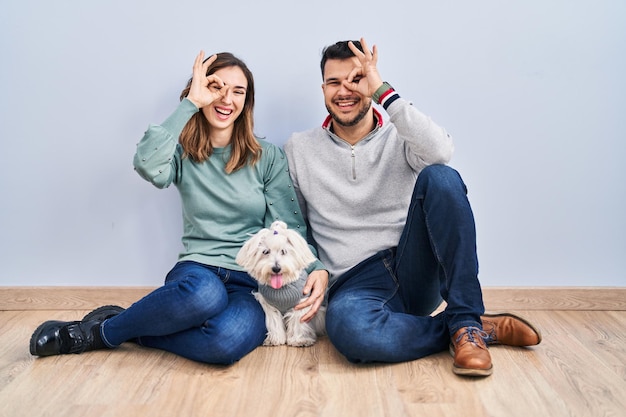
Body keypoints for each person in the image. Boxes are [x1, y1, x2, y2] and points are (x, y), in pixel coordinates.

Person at [30, 51, 328, 364]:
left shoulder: (266, 156)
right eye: (217, 88)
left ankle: (136, 327)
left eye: (238, 91)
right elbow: (146, 164)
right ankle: (97, 333)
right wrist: (190, 103)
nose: (227, 99)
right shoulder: (182, 152)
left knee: (225, 344)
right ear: (201, 91)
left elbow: (288, 224)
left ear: (247, 102)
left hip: (252, 283)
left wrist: (315, 267)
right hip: (198, 270)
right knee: (205, 296)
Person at [284, 38, 541, 377]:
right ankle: (468, 328)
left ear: (371, 85)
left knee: (442, 178)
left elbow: (441, 151)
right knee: (349, 332)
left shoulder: (400, 135)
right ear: (323, 89)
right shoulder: (299, 148)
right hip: (354, 283)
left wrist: (383, 92)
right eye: (334, 82)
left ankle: (465, 318)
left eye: (356, 80)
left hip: (412, 265)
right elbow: (297, 226)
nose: (344, 91)